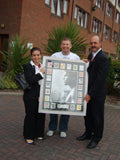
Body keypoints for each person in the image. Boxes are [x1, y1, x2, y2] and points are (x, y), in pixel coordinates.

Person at [76, 35, 109, 149]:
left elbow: (100, 79)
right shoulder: (91, 55)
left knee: (97, 116)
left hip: (97, 94)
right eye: (91, 43)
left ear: (100, 43)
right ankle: (88, 133)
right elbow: (90, 71)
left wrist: (90, 94)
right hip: (88, 91)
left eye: (95, 43)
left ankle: (96, 138)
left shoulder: (103, 58)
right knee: (87, 114)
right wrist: (86, 63)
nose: (93, 45)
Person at [46, 37, 80, 138]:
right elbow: (49, 68)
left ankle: (63, 129)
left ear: (70, 46)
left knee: (66, 107)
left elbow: (79, 71)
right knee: (54, 107)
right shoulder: (55, 55)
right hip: (56, 84)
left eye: (67, 44)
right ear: (61, 46)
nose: (65, 46)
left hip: (68, 85)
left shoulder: (75, 57)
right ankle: (52, 128)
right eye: (63, 44)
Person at [23, 47, 45, 145]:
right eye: (34, 55)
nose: (36, 57)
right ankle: (28, 136)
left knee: (40, 115)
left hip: (41, 95)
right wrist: (41, 73)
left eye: (38, 55)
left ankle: (38, 133)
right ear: (31, 56)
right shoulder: (28, 66)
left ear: (41, 55)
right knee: (30, 115)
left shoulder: (44, 65)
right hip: (30, 95)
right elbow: (30, 80)